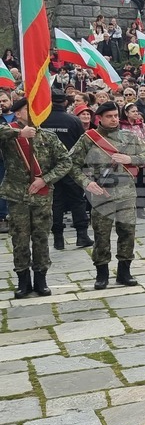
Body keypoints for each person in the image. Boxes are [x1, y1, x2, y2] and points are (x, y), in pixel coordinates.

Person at [69, 103, 145, 290]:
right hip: (102, 194)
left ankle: (124, 272)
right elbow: (71, 164)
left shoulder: (129, 136)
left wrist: (131, 159)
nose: (114, 119)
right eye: (109, 116)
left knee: (127, 233)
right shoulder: (89, 139)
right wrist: (86, 183)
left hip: (126, 193)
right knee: (101, 235)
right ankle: (102, 274)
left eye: (116, 115)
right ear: (99, 118)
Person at [0, 99, 73, 298]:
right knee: (20, 239)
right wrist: (18, 133)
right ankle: (23, 281)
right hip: (17, 196)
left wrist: (45, 180)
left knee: (41, 238)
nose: (32, 113)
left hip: (42, 196)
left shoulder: (48, 136)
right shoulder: (10, 134)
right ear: (17, 114)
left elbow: (65, 162)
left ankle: (41, 279)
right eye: (26, 110)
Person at [41, 90, 93, 250]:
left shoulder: (42, 121)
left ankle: (58, 239)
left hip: (51, 168)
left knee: (56, 202)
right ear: (65, 102)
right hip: (71, 167)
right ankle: (82, 235)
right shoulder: (73, 121)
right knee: (77, 200)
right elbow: (82, 144)